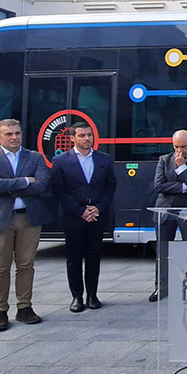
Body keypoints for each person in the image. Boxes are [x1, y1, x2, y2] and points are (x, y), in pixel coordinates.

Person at [0, 119, 52, 332]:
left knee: (26, 265)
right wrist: (26, 181)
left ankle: (25, 307)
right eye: (8, 134)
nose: (14, 137)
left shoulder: (34, 157)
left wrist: (5, 183)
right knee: (0, 267)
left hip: (28, 218)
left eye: (17, 133)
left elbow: (43, 184)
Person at [49, 121, 117, 313]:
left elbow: (110, 186)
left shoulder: (104, 159)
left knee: (94, 256)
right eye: (82, 136)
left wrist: (98, 208)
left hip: (97, 216)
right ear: (72, 138)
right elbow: (58, 190)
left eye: (89, 135)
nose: (87, 139)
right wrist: (81, 211)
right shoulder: (61, 161)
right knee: (74, 258)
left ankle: (92, 295)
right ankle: (77, 297)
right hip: (73, 217)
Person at [150, 129, 187, 302]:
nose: (179, 151)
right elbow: (159, 186)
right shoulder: (164, 160)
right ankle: (160, 287)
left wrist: (182, 168)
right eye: (176, 146)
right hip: (164, 210)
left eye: (183, 146)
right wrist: (184, 185)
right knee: (162, 250)